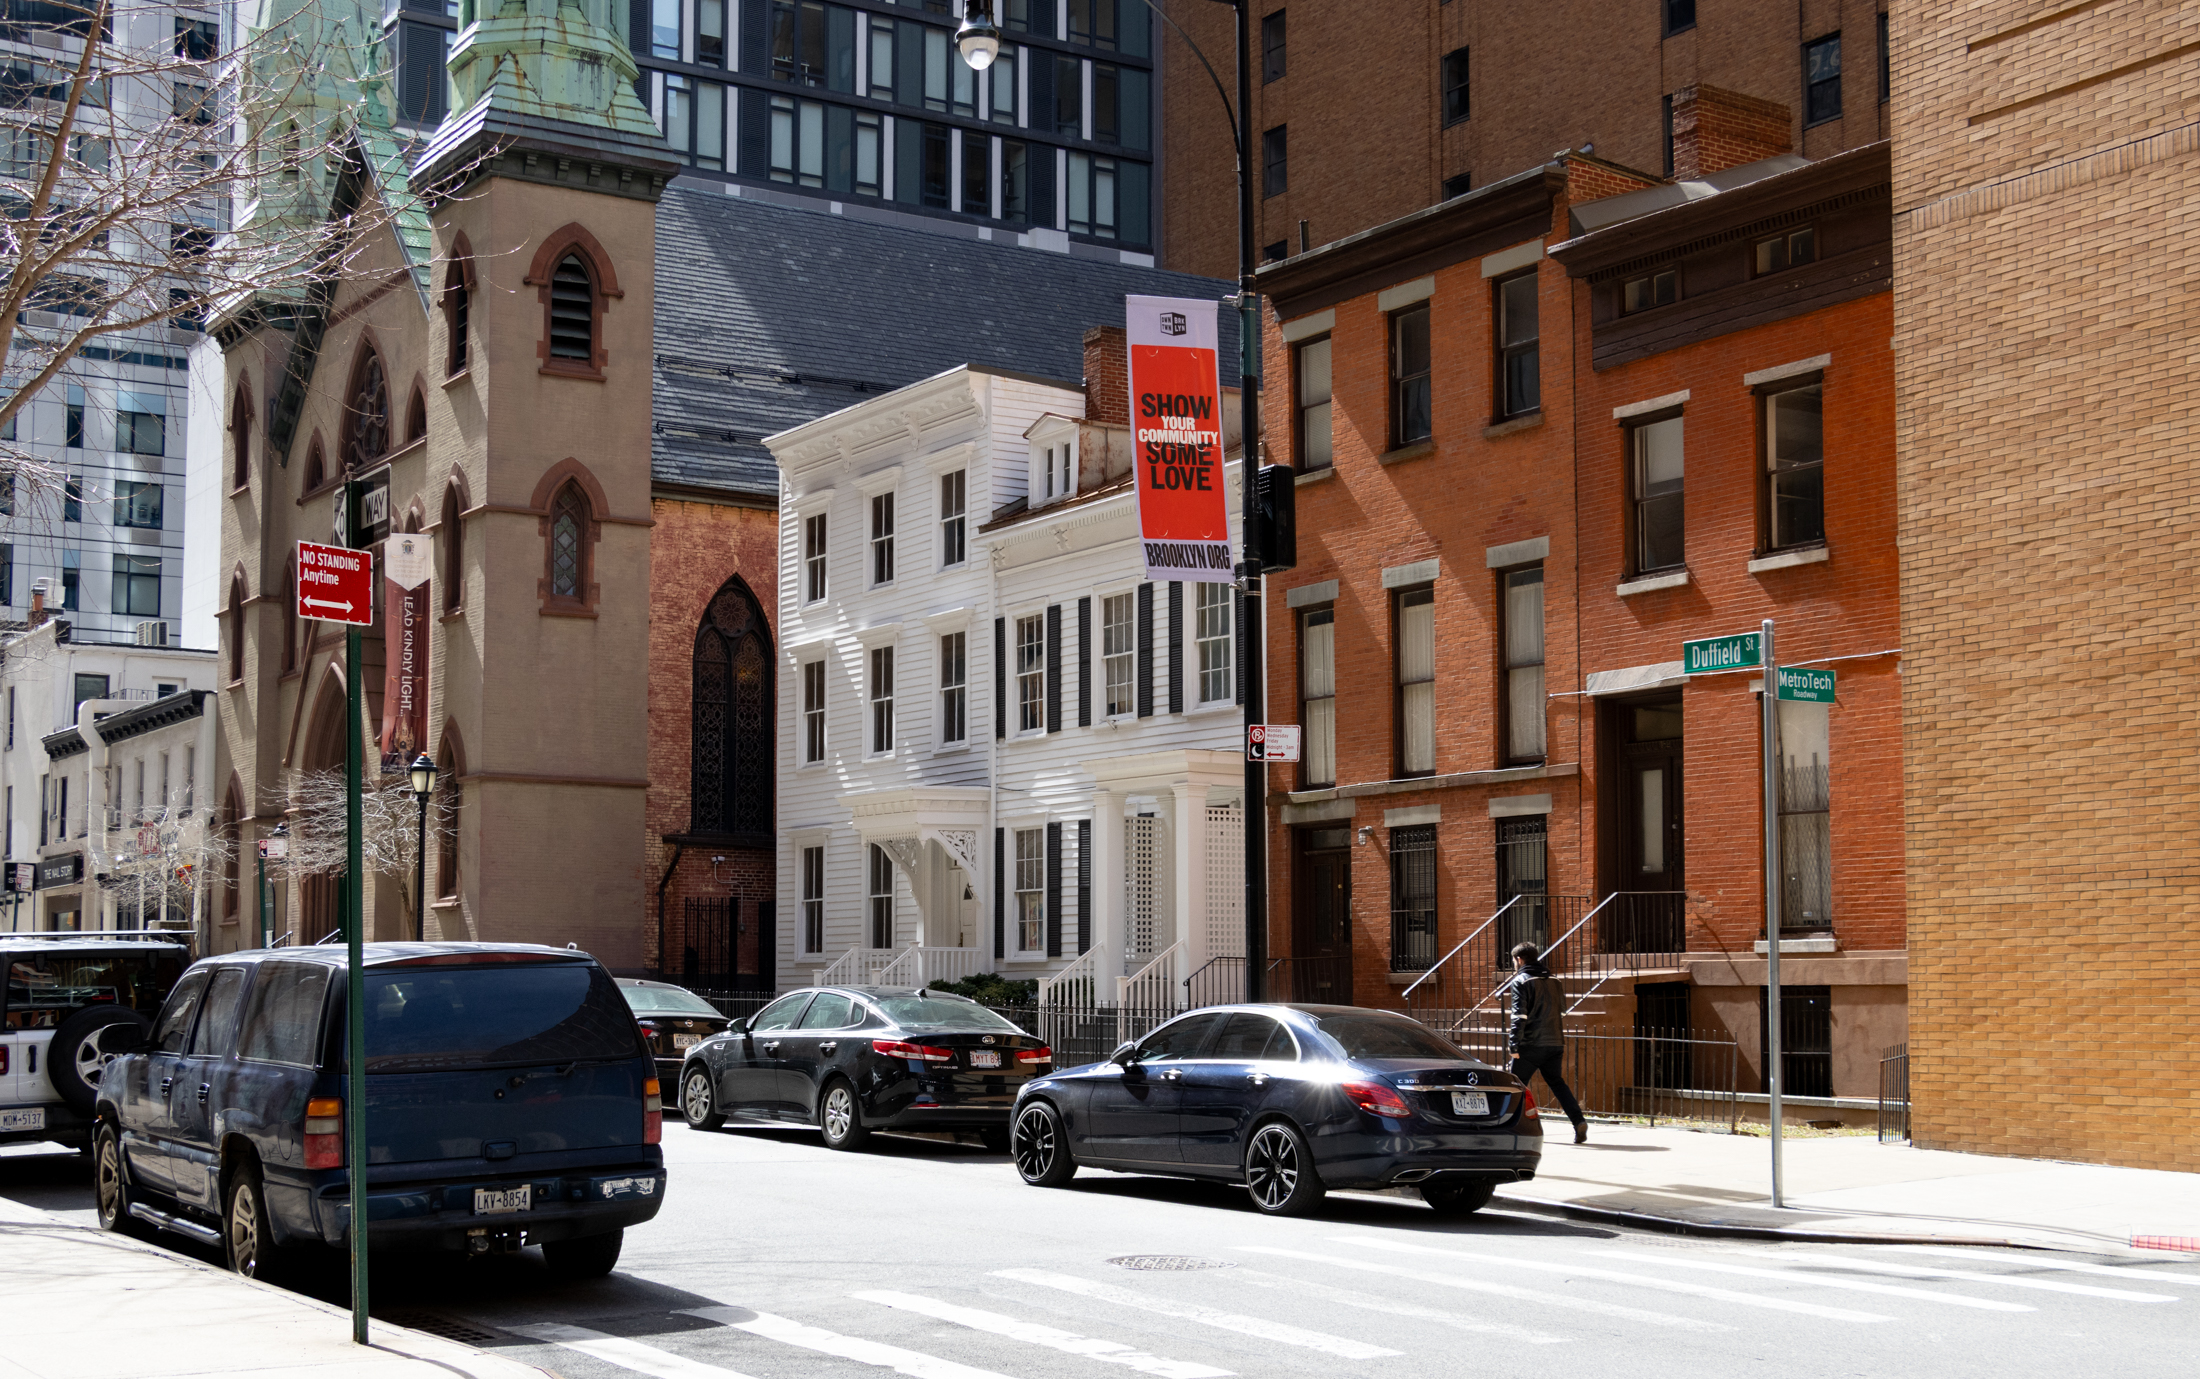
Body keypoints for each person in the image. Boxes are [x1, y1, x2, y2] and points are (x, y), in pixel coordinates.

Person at [1507, 940, 1587, 1144]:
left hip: (1530, 1044)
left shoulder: (1521, 981)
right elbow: (1561, 1009)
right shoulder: (1554, 980)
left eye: (1514, 961)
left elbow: (1519, 1016)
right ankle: (1578, 1121)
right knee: (1557, 1083)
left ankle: (1507, 1128)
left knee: (1514, 1086)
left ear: (1519, 959)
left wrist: (1513, 1044)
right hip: (1555, 1042)